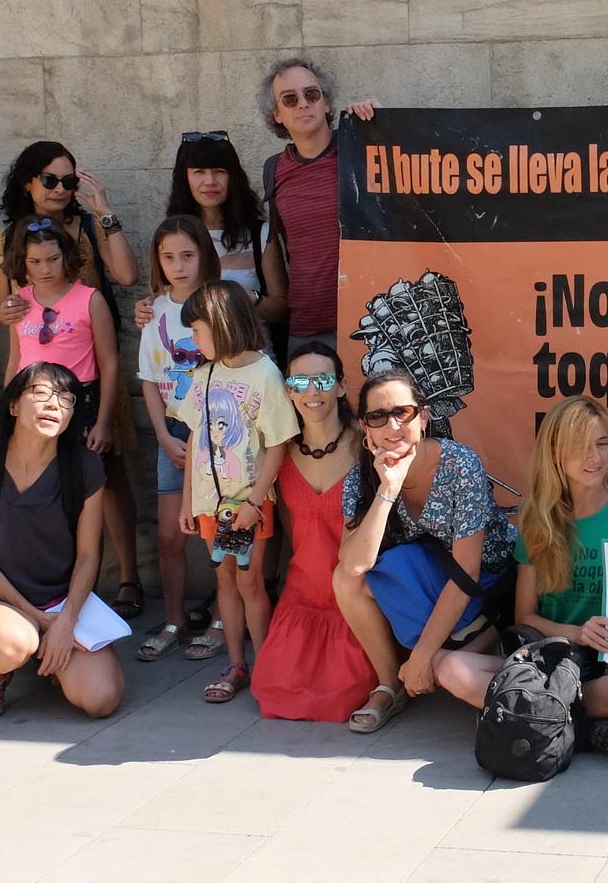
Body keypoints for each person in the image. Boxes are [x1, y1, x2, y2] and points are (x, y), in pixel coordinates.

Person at [435, 396, 608, 759]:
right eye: (580, 448)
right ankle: (586, 729)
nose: (595, 458)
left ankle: (526, 719)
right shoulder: (538, 522)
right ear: (556, 454)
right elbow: (525, 616)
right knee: (450, 668)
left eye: (601, 444)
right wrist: (577, 632)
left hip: (607, 668)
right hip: (550, 660)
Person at [0, 141, 143, 619]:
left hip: (91, 373)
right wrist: (4, 312)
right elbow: (11, 311)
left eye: (68, 180)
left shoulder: (88, 225)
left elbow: (126, 273)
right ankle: (54, 581)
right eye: (50, 179)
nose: (60, 189)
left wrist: (105, 211)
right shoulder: (6, 240)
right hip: (38, 384)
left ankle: (129, 578)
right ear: (28, 183)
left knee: (108, 477)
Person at [0, 363, 127, 722]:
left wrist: (67, 619)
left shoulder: (85, 466)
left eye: (65, 398)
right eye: (40, 393)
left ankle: (48, 656)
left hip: (61, 601)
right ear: (13, 405)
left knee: (100, 699)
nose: (53, 404)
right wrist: (43, 623)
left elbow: (90, 555)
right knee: (8, 643)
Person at [334, 368, 514, 733]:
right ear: (364, 428)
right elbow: (352, 565)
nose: (392, 426)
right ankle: (390, 683)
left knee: (408, 571)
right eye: (378, 416)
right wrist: (388, 489)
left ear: (424, 416)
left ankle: (484, 636)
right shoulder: (363, 476)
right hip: (427, 576)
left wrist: (422, 657)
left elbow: (468, 571)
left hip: (487, 581)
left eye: (403, 412)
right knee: (347, 579)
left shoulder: (459, 465)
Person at [176, 281, 299, 703]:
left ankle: (264, 666)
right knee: (223, 582)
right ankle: (236, 664)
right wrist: (188, 501)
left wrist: (254, 502)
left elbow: (279, 442)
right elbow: (196, 438)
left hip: (250, 506)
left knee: (250, 584)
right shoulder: (203, 373)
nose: (193, 340)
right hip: (211, 504)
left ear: (222, 325)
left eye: (197, 330)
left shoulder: (265, 373)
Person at [250, 345, 375, 721]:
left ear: (340, 387)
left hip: (355, 596)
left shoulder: (367, 446)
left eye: (322, 380)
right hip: (301, 596)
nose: (311, 392)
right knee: (275, 693)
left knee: (342, 697)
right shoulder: (279, 454)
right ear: (288, 391)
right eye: (300, 382)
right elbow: (290, 530)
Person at [133, 217, 222, 661]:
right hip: (173, 434)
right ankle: (173, 619)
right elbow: (149, 380)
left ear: (205, 254)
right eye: (168, 257)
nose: (178, 265)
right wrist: (165, 440)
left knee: (216, 534)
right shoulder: (155, 312)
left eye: (188, 255)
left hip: (221, 435)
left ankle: (224, 618)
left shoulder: (224, 305)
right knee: (170, 534)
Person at [259, 57, 376, 352]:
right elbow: (280, 247)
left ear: (326, 103)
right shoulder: (274, 170)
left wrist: (382, 127)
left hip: (370, 323)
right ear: (276, 114)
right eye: (290, 98)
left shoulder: (360, 149)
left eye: (311, 94)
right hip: (308, 327)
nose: (303, 103)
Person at [0, 219, 119, 460]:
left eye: (53, 259)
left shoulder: (90, 300)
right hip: (31, 399)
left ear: (66, 255)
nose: (45, 269)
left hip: (80, 399)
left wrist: (103, 423)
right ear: (23, 262)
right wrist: (7, 406)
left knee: (85, 476)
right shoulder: (19, 302)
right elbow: (15, 359)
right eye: (35, 261)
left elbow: (109, 363)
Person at [158, 131, 287, 340]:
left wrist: (243, 297)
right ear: (185, 177)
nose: (210, 181)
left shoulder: (260, 234)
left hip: (250, 360)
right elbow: (164, 297)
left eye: (219, 171)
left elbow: (282, 310)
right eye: (199, 171)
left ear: (233, 177)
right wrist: (148, 307)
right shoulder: (171, 236)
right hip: (188, 359)